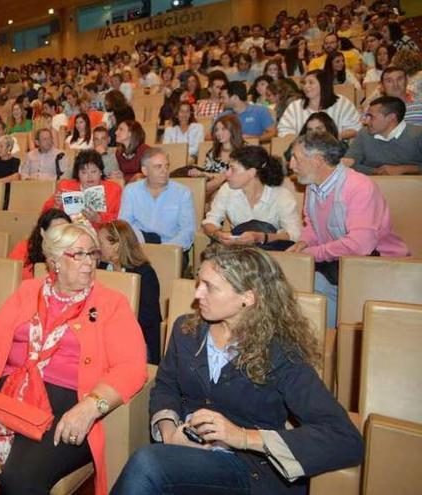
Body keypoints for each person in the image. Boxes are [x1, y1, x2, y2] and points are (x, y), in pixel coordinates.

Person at [112, 244, 364, 495]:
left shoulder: (280, 353)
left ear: (248, 297)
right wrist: (169, 433)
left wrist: (241, 436)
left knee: (147, 463)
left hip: (248, 468)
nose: (197, 294)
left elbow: (345, 439)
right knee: (150, 464)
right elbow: (166, 386)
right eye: (199, 282)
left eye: (209, 286)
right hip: (186, 456)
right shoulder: (186, 330)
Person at [0, 223, 148, 495]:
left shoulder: (111, 303)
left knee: (20, 479)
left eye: (92, 253)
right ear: (54, 261)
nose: (89, 263)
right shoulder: (29, 291)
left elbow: (133, 367)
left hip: (71, 401)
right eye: (79, 255)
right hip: (13, 389)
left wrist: (91, 406)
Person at [287, 131, 409, 328]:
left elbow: (360, 245)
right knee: (294, 274)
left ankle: (326, 343)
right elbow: (313, 226)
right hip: (337, 262)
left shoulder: (359, 186)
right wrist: (302, 244)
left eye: (296, 158)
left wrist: (310, 254)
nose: (291, 165)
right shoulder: (312, 186)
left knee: (308, 281)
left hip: (378, 267)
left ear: (317, 160)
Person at [204, 146, 302, 251]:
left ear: (252, 172)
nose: (227, 174)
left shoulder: (281, 195)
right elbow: (210, 222)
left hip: (270, 254)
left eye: (233, 169)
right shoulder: (227, 189)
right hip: (238, 251)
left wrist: (261, 237)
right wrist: (218, 234)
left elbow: (294, 235)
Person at [97, 220, 162, 364]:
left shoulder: (145, 273)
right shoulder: (101, 268)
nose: (97, 248)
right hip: (105, 336)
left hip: (138, 339)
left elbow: (147, 317)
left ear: (117, 245)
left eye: (101, 244)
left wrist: (113, 327)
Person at [118, 148, 195, 268]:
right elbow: (125, 225)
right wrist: (142, 247)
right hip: (139, 246)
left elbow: (187, 231)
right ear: (145, 170)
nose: (164, 171)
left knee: (164, 265)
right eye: (158, 167)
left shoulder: (182, 192)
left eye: (166, 166)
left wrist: (162, 250)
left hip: (171, 249)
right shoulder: (131, 191)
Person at [41, 150, 123, 229]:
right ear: (77, 174)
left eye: (93, 172)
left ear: (101, 172)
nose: (89, 176)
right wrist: (56, 205)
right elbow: (45, 216)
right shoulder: (65, 186)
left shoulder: (114, 190)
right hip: (69, 234)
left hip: (102, 235)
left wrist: (99, 218)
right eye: (84, 173)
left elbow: (122, 220)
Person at [343, 96, 422, 175]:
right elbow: (348, 165)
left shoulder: (418, 134)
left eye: (371, 116)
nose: (366, 121)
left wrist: (405, 169)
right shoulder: (364, 134)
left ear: (391, 117)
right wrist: (375, 171)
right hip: (374, 183)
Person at [277, 70, 361, 139]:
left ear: (323, 85)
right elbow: (284, 131)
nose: (306, 86)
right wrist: (303, 141)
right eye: (305, 83)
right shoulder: (295, 107)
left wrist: (330, 139)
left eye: (311, 83)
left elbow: (355, 128)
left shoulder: (342, 103)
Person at [9, 209, 71, 280]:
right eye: (55, 230)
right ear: (43, 232)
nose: (60, 234)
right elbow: (10, 277)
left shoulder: (74, 253)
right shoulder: (24, 247)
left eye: (65, 230)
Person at [196, 114, 244, 195]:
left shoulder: (245, 150)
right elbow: (206, 174)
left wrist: (217, 177)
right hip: (213, 189)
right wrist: (202, 174)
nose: (219, 133)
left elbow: (242, 175)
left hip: (235, 189)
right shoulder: (212, 152)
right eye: (216, 130)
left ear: (233, 130)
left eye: (223, 129)